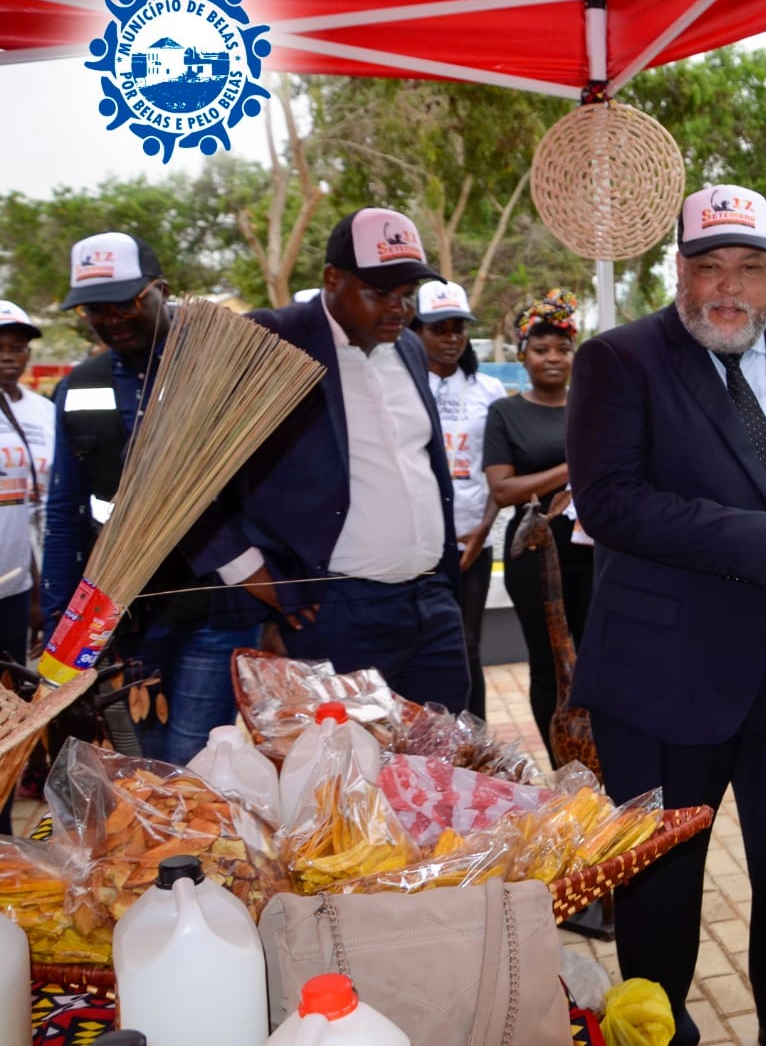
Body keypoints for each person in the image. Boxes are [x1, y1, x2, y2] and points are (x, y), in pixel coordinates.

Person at [566, 184, 766, 1046]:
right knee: (661, 879)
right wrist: (763, 539)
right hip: (666, 679)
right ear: (679, 269)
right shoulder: (619, 360)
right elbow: (610, 504)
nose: (729, 288)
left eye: (749, 266)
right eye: (710, 266)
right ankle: (657, 1028)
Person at [192, 208, 469, 710]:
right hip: (335, 613)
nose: (398, 309)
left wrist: (444, 588)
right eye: (379, 293)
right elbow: (173, 466)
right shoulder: (270, 340)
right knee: (341, 776)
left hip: (432, 604)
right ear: (331, 279)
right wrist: (249, 574)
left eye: (407, 294)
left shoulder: (407, 347)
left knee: (441, 771)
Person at [43, 234, 258, 764]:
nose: (112, 318)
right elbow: (64, 512)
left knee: (192, 756)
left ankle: (183, 848)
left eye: (127, 301)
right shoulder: (79, 385)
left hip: (215, 604)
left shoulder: (221, 371)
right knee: (136, 755)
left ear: (161, 290)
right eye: (96, 308)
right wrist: (58, 627)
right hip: (121, 615)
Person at [481, 289, 591, 759]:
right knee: (548, 664)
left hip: (591, 549)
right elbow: (503, 490)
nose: (553, 358)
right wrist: (574, 464)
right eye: (541, 349)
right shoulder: (506, 413)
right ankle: (561, 764)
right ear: (523, 353)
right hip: (533, 554)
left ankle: (597, 757)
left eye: (563, 349)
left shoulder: (592, 406)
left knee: (593, 658)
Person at [412, 280, 506, 721]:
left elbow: (500, 472)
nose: (451, 338)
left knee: (467, 644)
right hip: (415, 545)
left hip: (472, 542)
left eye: (458, 328)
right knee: (418, 645)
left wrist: (484, 528)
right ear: (417, 330)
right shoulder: (403, 387)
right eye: (439, 328)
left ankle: (476, 744)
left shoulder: (488, 390)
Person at [0, 302, 52, 670]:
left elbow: (23, 513)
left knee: (13, 698)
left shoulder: (35, 411)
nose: (7, 358)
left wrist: (36, 592)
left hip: (14, 588)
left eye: (16, 347)